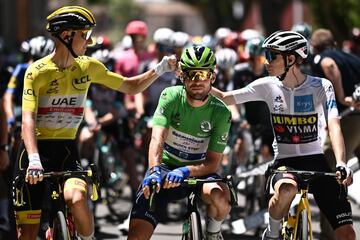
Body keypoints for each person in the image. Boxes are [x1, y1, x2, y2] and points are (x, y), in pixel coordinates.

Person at [13, 5, 176, 240]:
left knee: (78, 199)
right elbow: (27, 119)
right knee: (26, 234)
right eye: (85, 35)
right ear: (67, 36)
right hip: (33, 153)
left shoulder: (89, 67)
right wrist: (35, 160)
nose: (89, 42)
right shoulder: (37, 72)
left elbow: (130, 85)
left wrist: (159, 69)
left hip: (66, 149)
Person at [210, 30, 356, 240]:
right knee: (287, 189)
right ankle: (272, 232)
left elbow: (334, 125)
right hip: (286, 162)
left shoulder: (321, 86)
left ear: (291, 58)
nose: (265, 61)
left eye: (271, 55)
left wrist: (342, 162)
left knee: (347, 234)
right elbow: (225, 97)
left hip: (316, 161)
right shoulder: (267, 85)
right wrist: (199, 80)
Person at [127, 46, 232, 240]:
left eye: (203, 74)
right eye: (191, 74)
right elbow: (157, 138)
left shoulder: (221, 112)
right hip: (165, 169)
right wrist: (153, 171)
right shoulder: (170, 96)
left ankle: (213, 232)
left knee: (221, 196)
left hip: (200, 172)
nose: (197, 81)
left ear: (213, 77)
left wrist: (185, 171)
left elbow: (213, 163)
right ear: (182, 76)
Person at [311, 28, 360, 240]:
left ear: (315, 47)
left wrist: (341, 96)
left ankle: (330, 234)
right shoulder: (352, 57)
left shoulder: (323, 57)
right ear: (334, 42)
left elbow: (328, 65)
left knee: (331, 172)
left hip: (348, 120)